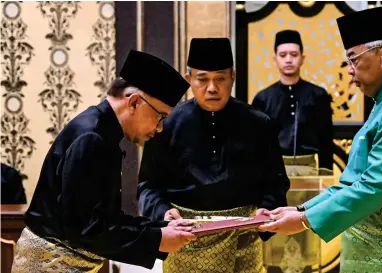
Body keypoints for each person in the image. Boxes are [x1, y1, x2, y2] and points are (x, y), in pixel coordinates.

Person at [259, 6, 382, 273]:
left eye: (353, 60)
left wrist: (305, 219)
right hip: (378, 250)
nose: (351, 71)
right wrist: (300, 208)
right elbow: (355, 183)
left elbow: (373, 188)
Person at [11, 50, 196, 273]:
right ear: (135, 102)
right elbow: (84, 229)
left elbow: (104, 219)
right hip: (50, 266)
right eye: (161, 116)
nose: (159, 128)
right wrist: (156, 239)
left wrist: (160, 228)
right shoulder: (91, 138)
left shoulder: (100, 131)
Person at [138, 38, 290, 273]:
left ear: (233, 77)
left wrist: (266, 210)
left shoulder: (259, 124)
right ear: (189, 79)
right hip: (185, 242)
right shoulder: (166, 125)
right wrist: (163, 214)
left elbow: (276, 182)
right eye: (203, 79)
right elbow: (148, 186)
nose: (212, 87)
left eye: (220, 78)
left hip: (243, 240)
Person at [251, 29, 333, 176]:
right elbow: (257, 144)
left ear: (302, 58)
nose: (288, 59)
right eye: (283, 55)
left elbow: (325, 139)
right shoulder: (262, 99)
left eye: (294, 55)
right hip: (274, 172)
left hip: (309, 171)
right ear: (275, 58)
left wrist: (325, 175)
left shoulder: (318, 95)